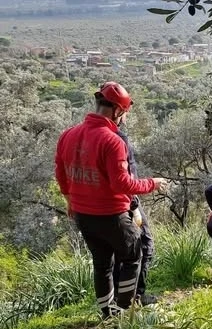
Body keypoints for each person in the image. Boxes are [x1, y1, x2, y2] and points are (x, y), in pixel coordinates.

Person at [55, 82, 167, 317]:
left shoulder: (68, 135)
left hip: (84, 216)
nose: (123, 119)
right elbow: (122, 185)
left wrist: (70, 202)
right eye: (124, 113)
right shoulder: (113, 140)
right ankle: (125, 310)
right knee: (134, 255)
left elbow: (61, 174)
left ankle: (107, 314)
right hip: (112, 215)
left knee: (102, 264)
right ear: (117, 111)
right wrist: (151, 184)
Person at [114, 123, 157, 307]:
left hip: (99, 206)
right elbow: (127, 176)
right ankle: (134, 298)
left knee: (113, 254)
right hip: (123, 202)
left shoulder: (88, 133)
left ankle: (116, 300)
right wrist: (134, 206)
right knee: (145, 245)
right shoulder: (118, 137)